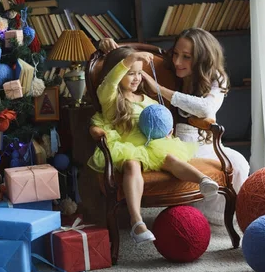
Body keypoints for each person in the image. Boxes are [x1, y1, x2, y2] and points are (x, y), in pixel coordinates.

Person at [98, 28, 250, 225]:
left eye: (186, 57)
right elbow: (128, 70)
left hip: (203, 141)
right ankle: (194, 215)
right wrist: (113, 48)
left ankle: (227, 217)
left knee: (238, 163)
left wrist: (159, 89)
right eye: (175, 54)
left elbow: (206, 109)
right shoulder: (169, 68)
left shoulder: (216, 78)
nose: (178, 62)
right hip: (173, 140)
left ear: (202, 59)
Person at [87, 46, 220, 245]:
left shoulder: (146, 99)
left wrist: (166, 132)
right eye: (130, 73)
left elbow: (160, 120)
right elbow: (111, 81)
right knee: (132, 164)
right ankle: (137, 222)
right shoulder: (110, 98)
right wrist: (132, 57)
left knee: (171, 159)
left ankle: (203, 181)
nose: (136, 78)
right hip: (126, 147)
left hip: (153, 145)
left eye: (139, 73)